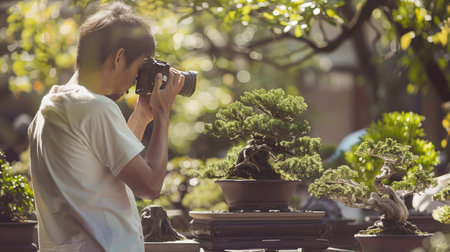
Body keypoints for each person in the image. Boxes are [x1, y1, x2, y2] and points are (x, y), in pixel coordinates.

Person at [28, 2, 184, 251]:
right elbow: (150, 186)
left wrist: (142, 116)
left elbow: (113, 168)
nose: (135, 82)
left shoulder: (51, 106)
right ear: (119, 57)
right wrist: (163, 115)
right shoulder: (95, 107)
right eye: (138, 70)